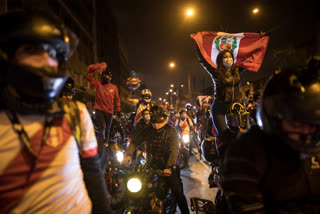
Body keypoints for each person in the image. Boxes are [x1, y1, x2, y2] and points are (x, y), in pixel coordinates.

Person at [0, 9, 111, 214]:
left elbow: (94, 178)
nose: (46, 60)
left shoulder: (75, 114)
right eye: (32, 49)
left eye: (52, 53)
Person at [222, 64, 320, 213]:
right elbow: (247, 208)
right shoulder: (247, 152)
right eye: (295, 123)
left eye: (311, 123)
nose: (306, 131)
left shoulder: (316, 146)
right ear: (273, 118)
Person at [123, 105, 189, 213]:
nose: (156, 124)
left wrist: (168, 167)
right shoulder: (148, 130)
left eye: (158, 121)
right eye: (154, 121)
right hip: (151, 165)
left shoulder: (172, 132)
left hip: (168, 167)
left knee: (178, 193)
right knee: (135, 188)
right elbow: (135, 141)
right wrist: (129, 155)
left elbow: (173, 150)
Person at [197, 48, 245, 157]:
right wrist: (198, 43)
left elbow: (251, 58)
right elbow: (203, 60)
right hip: (219, 109)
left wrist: (260, 40)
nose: (228, 59)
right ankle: (224, 164)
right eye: (225, 57)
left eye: (230, 57)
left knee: (239, 136)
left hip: (234, 108)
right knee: (226, 137)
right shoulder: (216, 72)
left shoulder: (237, 70)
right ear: (220, 60)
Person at [86, 64, 121, 162]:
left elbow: (117, 99)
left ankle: (106, 142)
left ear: (110, 78)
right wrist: (93, 70)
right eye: (104, 76)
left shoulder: (114, 88)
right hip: (99, 110)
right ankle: (102, 143)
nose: (105, 78)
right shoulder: (98, 84)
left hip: (109, 111)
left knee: (108, 128)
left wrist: (118, 110)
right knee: (103, 127)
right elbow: (88, 77)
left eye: (107, 76)